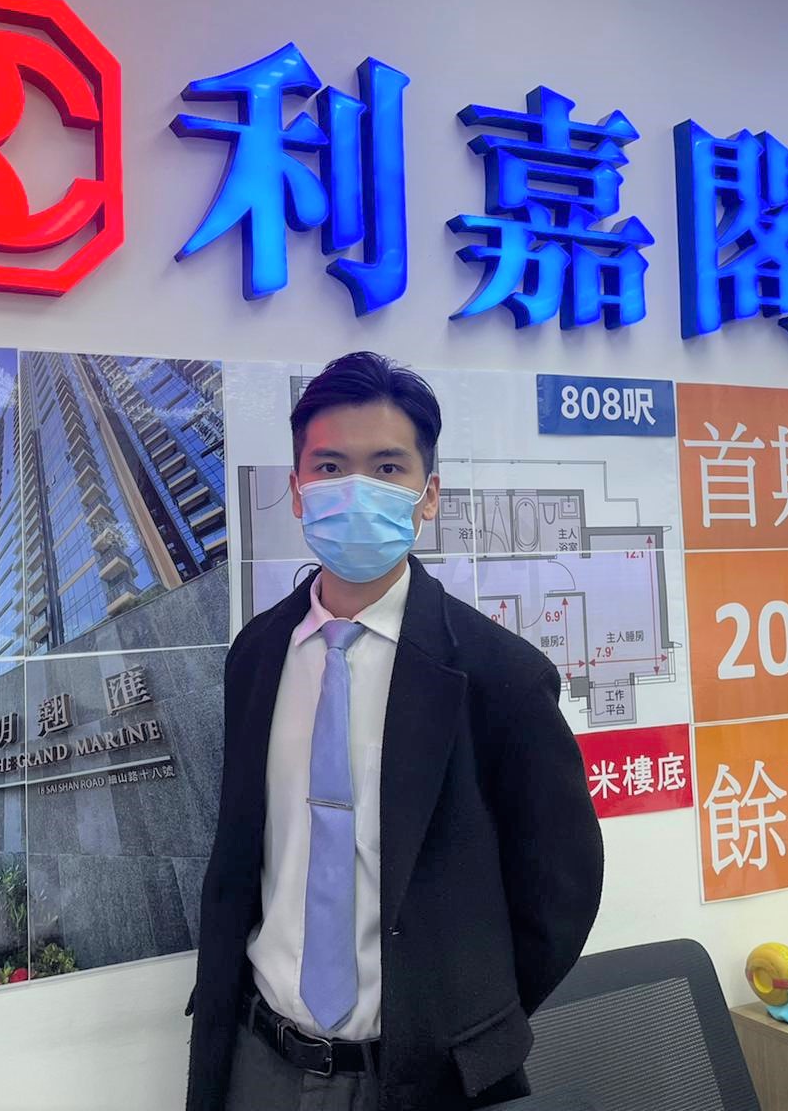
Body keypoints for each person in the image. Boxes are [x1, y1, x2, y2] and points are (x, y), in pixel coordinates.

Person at [187, 352, 604, 1111]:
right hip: (256, 1058)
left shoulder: (499, 675)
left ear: (427, 494)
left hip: (421, 1079)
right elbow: (245, 855)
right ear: (297, 491)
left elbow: (561, 892)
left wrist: (465, 1023)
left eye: (386, 467)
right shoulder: (257, 655)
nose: (357, 490)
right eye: (330, 467)